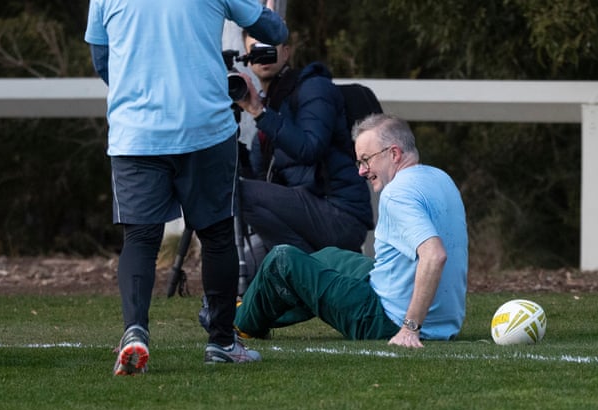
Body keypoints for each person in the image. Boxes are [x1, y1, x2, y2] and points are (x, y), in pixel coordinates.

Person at [84, 0, 288, 374]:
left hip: (136, 134)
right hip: (204, 129)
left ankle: (135, 333)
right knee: (217, 234)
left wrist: (137, 88)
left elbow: (102, 58)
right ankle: (222, 342)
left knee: (140, 238)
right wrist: (270, 11)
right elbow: (274, 33)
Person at [234, 114, 468, 347]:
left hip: (385, 319)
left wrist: (410, 328)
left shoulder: (397, 193)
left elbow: (434, 255)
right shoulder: (440, 178)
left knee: (282, 259)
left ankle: (239, 321)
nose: (361, 171)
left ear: (394, 154)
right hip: (443, 324)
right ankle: (253, 308)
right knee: (328, 257)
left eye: (366, 160)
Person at [234, 33, 374, 279]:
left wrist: (259, 112)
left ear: (286, 52)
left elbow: (310, 148)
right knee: (238, 271)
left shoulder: (314, 87)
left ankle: (312, 273)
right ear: (247, 60)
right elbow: (260, 183)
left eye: (270, 48)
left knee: (240, 193)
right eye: (256, 50)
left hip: (339, 214)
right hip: (304, 216)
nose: (263, 55)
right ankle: (313, 270)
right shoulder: (272, 106)